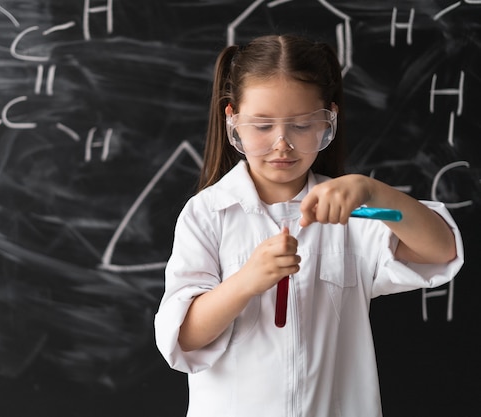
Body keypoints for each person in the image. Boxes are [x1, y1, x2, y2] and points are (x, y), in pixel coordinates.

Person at [154, 34, 464, 417]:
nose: (282, 144)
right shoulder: (208, 214)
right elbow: (183, 336)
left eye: (302, 126)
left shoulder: (352, 211)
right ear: (232, 119)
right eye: (263, 125)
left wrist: (375, 193)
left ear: (328, 120)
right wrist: (247, 280)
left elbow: (439, 250)